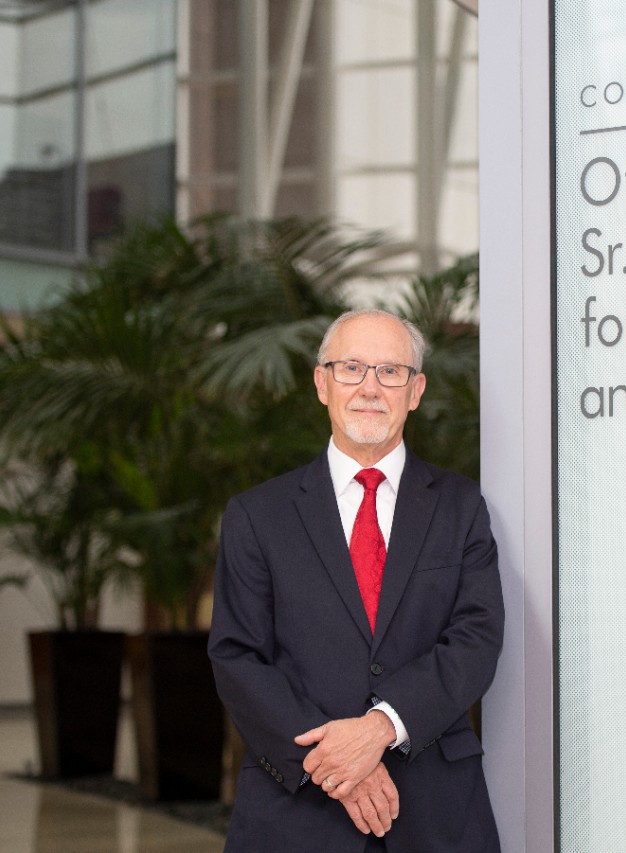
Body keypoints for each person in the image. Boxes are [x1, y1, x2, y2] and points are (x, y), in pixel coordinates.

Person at [208, 309, 504, 853]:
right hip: (295, 811)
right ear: (322, 383)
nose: (370, 387)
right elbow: (237, 657)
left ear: (415, 391)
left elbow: (476, 640)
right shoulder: (258, 515)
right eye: (351, 369)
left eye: (390, 372)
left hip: (436, 812)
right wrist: (337, 764)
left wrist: (382, 727)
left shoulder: (461, 507)